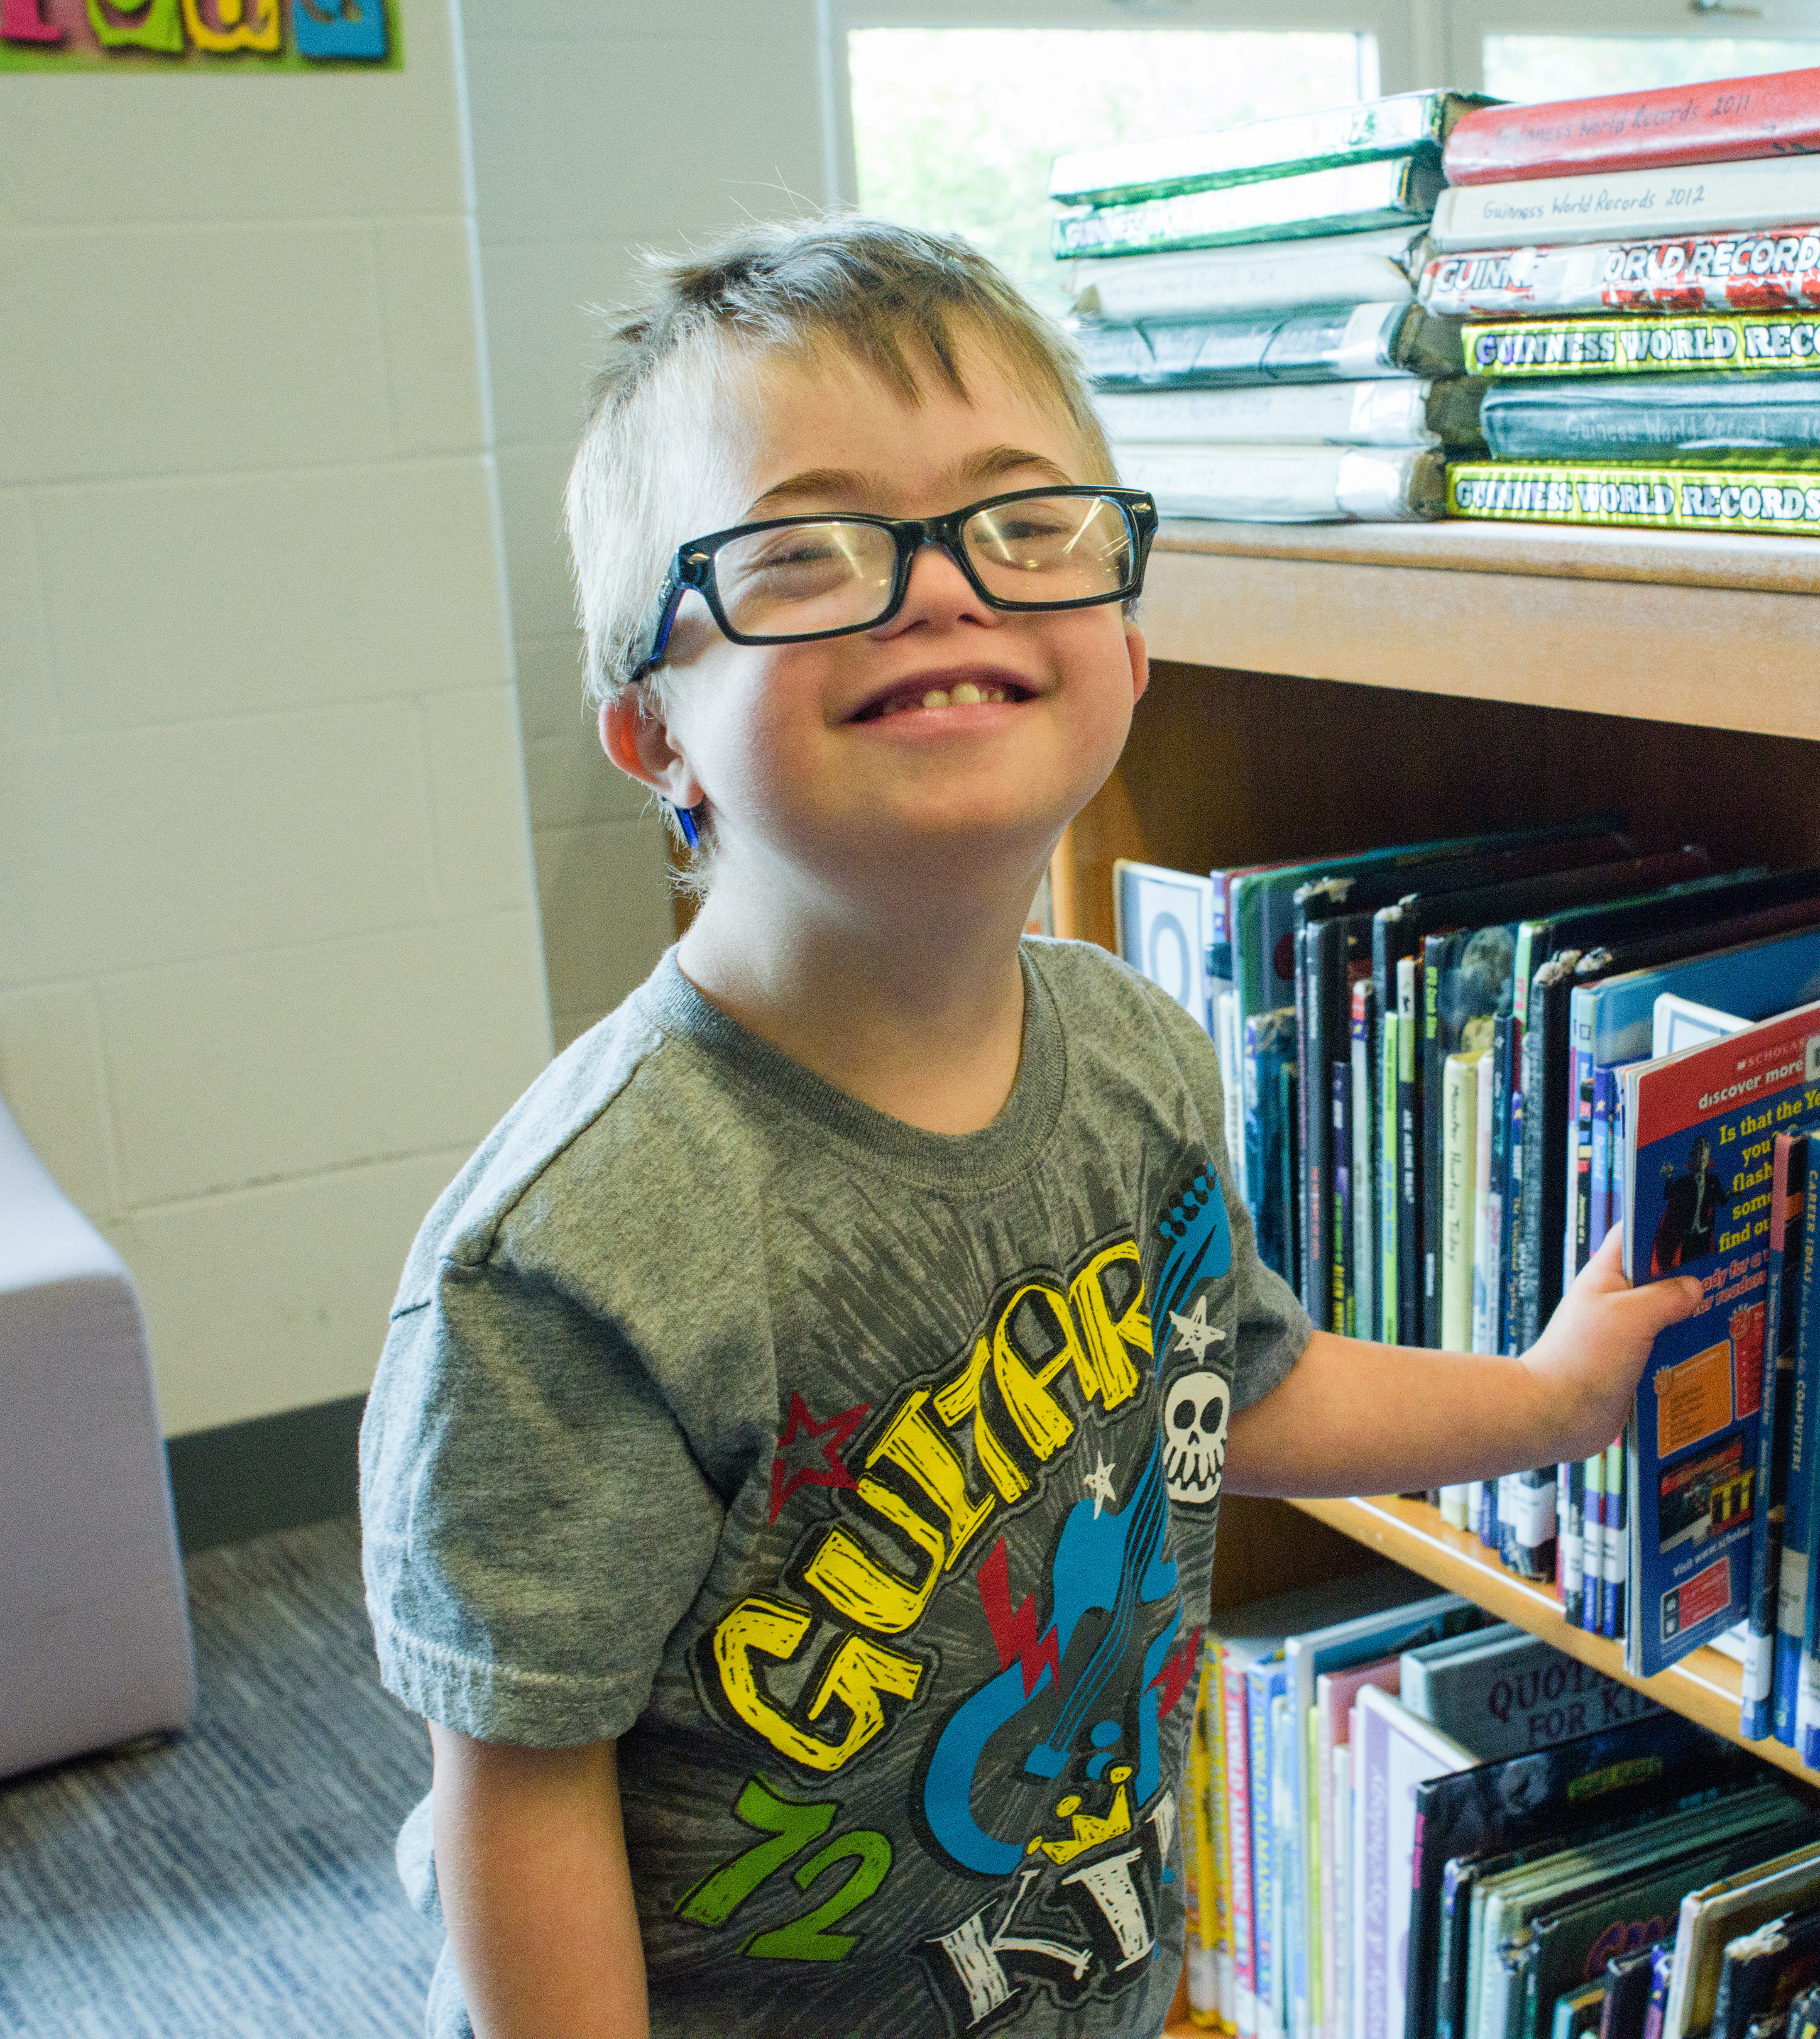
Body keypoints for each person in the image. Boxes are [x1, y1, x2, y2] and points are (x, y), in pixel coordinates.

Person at [357, 214, 1701, 2039]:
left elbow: (1227, 1388)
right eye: (806, 550)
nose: (940, 586)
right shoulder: (570, 1269)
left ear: (1128, 656)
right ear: (650, 733)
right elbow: (518, 1799)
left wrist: (1542, 1404)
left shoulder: (1137, 1053)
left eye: (1025, 526)